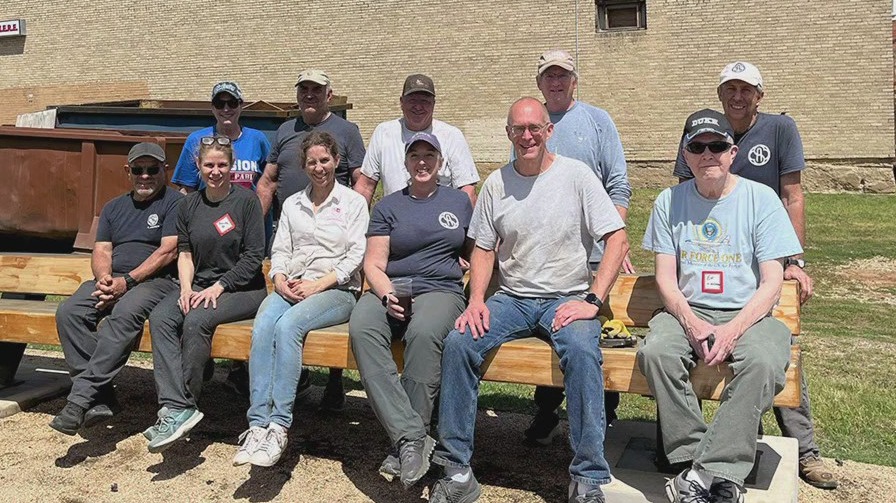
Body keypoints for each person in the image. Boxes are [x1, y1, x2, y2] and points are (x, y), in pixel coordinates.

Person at [431, 98, 629, 503]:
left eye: (534, 128)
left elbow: (617, 237)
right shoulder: (497, 184)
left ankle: (588, 477)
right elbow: (483, 248)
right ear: (508, 134)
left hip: (566, 299)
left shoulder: (577, 176)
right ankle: (456, 470)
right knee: (459, 344)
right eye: (518, 129)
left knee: (581, 352)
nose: (527, 136)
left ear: (548, 131)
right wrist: (477, 301)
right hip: (513, 298)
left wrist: (593, 299)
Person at [673, 61, 835, 489]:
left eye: (746, 89)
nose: (737, 97)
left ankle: (805, 450)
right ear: (720, 94)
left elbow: (792, 195)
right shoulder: (701, 131)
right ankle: (718, 455)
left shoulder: (780, 129)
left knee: (777, 349)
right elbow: (682, 195)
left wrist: (794, 261)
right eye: (730, 89)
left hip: (764, 257)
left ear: (759, 95)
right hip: (715, 258)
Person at [639, 109, 803, 503]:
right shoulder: (668, 201)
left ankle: (703, 473)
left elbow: (771, 282)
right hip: (688, 310)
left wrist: (732, 330)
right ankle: (707, 470)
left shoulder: (760, 199)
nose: (707, 154)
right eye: (697, 147)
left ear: (732, 153)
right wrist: (692, 323)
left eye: (717, 146)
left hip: (749, 313)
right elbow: (665, 278)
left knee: (763, 361)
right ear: (686, 154)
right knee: (656, 351)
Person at [235, 132, 369, 467]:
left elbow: (355, 256)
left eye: (325, 160)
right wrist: (278, 280)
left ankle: (279, 425)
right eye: (312, 162)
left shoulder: (352, 203)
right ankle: (257, 426)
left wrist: (318, 285)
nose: (319, 167)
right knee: (265, 323)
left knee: (289, 327)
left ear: (336, 161)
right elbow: (279, 250)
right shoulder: (293, 203)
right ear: (304, 165)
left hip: (338, 291)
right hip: (293, 285)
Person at [349, 131, 473, 489]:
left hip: (441, 289)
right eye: (415, 155)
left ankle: (405, 444)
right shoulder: (388, 206)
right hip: (393, 286)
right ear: (404, 163)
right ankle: (411, 438)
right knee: (363, 328)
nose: (422, 162)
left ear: (441, 163)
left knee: (423, 332)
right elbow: (373, 263)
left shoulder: (459, 203)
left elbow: (477, 251)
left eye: (429, 155)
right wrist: (387, 294)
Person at [525, 49, 634, 446]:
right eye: (549, 76)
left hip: (591, 254)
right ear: (539, 83)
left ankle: (602, 418)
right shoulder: (529, 125)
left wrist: (614, 245)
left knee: (592, 336)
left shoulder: (596, 121)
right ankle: (547, 412)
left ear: (575, 80)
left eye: (563, 76)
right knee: (546, 333)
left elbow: (618, 184)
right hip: (543, 254)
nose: (556, 83)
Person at [50, 143, 183, 435]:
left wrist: (129, 282)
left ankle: (79, 401)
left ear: (165, 170)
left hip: (157, 282)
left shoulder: (175, 203)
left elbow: (168, 252)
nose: (145, 176)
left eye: (152, 169)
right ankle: (102, 396)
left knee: (123, 314)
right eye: (138, 170)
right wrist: (105, 279)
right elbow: (101, 250)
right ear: (128, 172)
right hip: (116, 279)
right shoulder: (113, 207)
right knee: (69, 311)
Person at [145, 136, 267, 453]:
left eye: (222, 165)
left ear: (232, 167)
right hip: (198, 285)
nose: (216, 171)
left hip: (244, 289)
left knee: (197, 320)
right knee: (161, 316)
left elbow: (254, 256)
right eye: (209, 165)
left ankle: (185, 402)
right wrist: (186, 289)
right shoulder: (188, 205)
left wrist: (219, 286)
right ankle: (175, 406)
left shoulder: (247, 202)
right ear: (198, 167)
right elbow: (184, 254)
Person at [255, 69, 367, 411]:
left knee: (291, 323)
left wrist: (349, 207)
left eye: (316, 90)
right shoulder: (285, 130)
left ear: (328, 95)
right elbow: (268, 180)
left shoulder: (346, 131)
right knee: (267, 323)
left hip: (335, 248)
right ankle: (262, 414)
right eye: (303, 89)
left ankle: (330, 383)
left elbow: (362, 180)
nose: (309, 95)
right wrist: (253, 231)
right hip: (298, 230)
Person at [170, 81, 271, 395]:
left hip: (245, 238)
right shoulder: (195, 140)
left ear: (241, 105)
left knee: (207, 311)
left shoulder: (258, 140)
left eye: (232, 103)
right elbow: (185, 189)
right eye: (220, 104)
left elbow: (267, 182)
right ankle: (185, 388)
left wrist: (249, 217)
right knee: (178, 314)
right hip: (208, 241)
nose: (226, 109)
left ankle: (204, 388)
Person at [354, 74, 479, 206]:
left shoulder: (452, 135)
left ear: (433, 104)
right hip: (395, 219)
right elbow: (365, 186)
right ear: (401, 102)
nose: (418, 107)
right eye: (412, 100)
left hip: (439, 220)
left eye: (424, 101)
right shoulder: (384, 132)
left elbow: (467, 191)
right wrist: (355, 221)